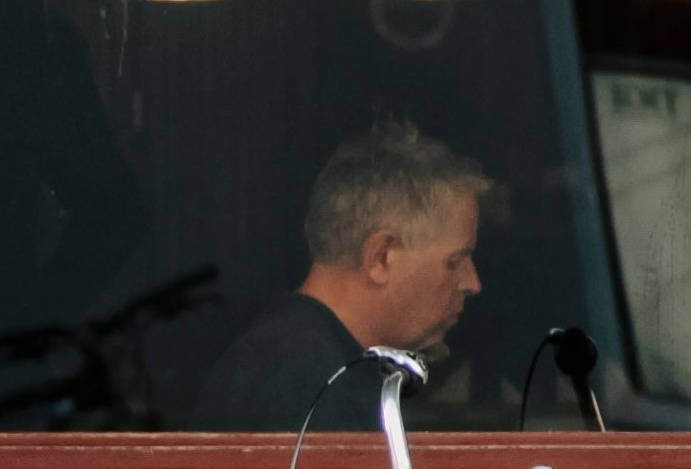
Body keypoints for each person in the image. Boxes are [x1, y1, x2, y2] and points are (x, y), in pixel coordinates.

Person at [190, 120, 489, 434]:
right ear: (382, 257)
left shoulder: (303, 361)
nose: (472, 283)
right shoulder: (309, 382)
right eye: (454, 262)